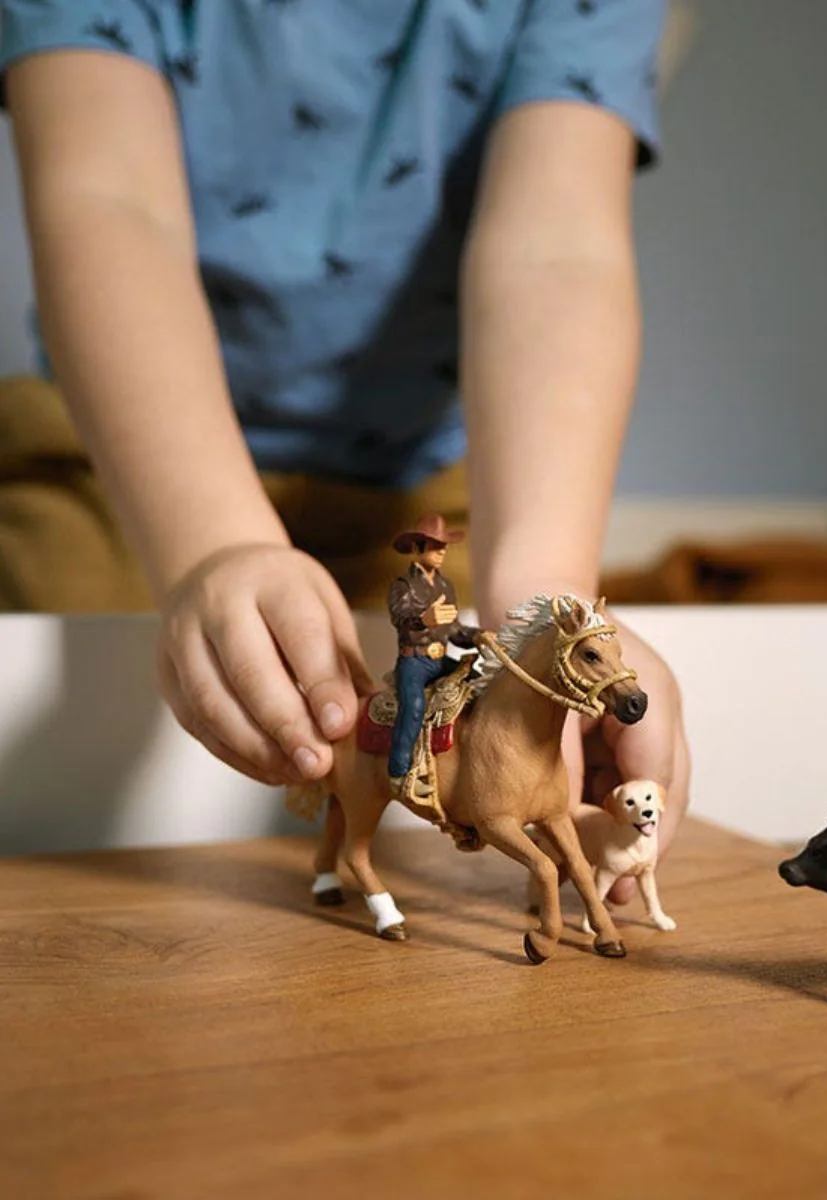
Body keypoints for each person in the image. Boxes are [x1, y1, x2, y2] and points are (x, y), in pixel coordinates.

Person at [0, 0, 690, 903]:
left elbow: (559, 250)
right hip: (113, 467)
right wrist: (213, 542)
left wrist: (542, 599)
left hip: (427, 488)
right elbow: (109, 204)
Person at [385, 512, 479, 789]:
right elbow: (400, 618)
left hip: (441, 659)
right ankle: (400, 771)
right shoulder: (403, 585)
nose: (442, 552)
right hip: (414, 661)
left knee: (480, 684)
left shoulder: (445, 585)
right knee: (414, 707)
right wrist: (423, 620)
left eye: (444, 546)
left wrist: (479, 636)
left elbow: (455, 628)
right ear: (417, 548)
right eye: (435, 546)